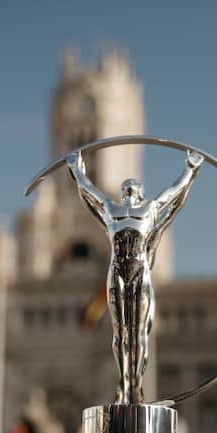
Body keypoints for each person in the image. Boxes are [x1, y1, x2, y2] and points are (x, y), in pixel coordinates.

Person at [65, 150, 203, 404]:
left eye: (133, 188)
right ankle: (124, 381)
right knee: (120, 332)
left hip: (140, 272)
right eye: (125, 189)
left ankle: (136, 383)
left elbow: (173, 194)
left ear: (140, 193)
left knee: (139, 333)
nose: (128, 191)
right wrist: (76, 169)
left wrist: (190, 169)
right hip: (117, 270)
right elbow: (88, 193)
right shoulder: (111, 210)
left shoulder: (149, 210)